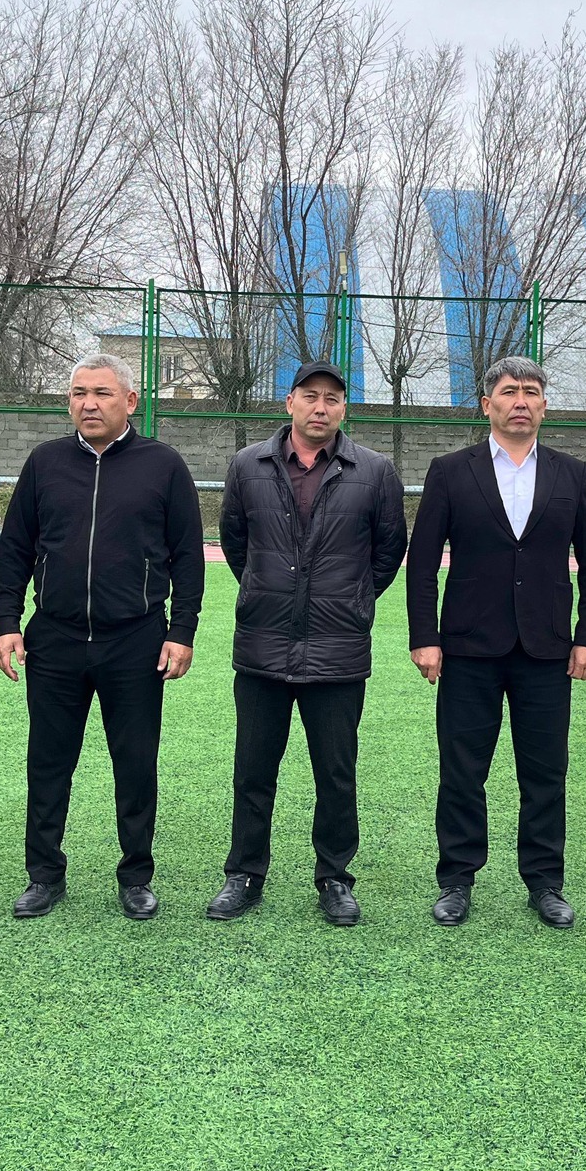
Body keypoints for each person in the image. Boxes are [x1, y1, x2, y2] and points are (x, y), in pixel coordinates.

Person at [0, 354, 205, 923]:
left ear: (130, 401)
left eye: (103, 394)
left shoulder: (163, 465)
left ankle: (136, 876)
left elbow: (188, 556)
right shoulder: (45, 463)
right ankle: (44, 875)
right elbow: (13, 550)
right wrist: (8, 622)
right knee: (48, 761)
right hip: (55, 640)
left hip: (135, 640)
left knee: (135, 762)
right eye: (79, 393)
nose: (89, 403)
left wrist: (181, 630)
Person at [406, 355, 586, 929]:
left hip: (547, 649)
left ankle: (545, 882)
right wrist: (425, 637)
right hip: (468, 647)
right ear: (487, 404)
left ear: (544, 405)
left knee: (545, 771)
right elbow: (422, 563)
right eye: (509, 391)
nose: (521, 400)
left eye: (531, 392)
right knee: (462, 769)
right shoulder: (451, 470)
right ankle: (457, 879)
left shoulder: (572, 474)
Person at [209, 361, 407, 927]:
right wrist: (267, 593)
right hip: (263, 648)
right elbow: (236, 543)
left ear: (344, 409)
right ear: (289, 403)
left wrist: (352, 599)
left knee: (336, 773)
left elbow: (388, 551)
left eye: (333, 399)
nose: (321, 407)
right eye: (310, 397)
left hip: (337, 651)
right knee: (252, 769)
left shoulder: (374, 471)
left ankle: (335, 879)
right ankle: (244, 874)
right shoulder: (248, 466)